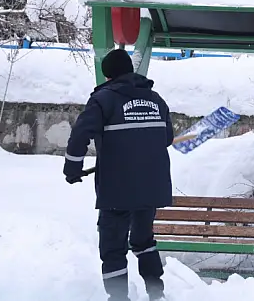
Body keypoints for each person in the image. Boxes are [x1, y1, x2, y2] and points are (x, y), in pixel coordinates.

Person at [63, 49, 174, 301]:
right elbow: (166, 138)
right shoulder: (156, 100)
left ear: (108, 75)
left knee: (113, 248)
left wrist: (72, 169)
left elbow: (80, 134)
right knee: (144, 240)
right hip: (151, 188)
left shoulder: (104, 100)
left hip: (118, 190)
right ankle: (156, 293)